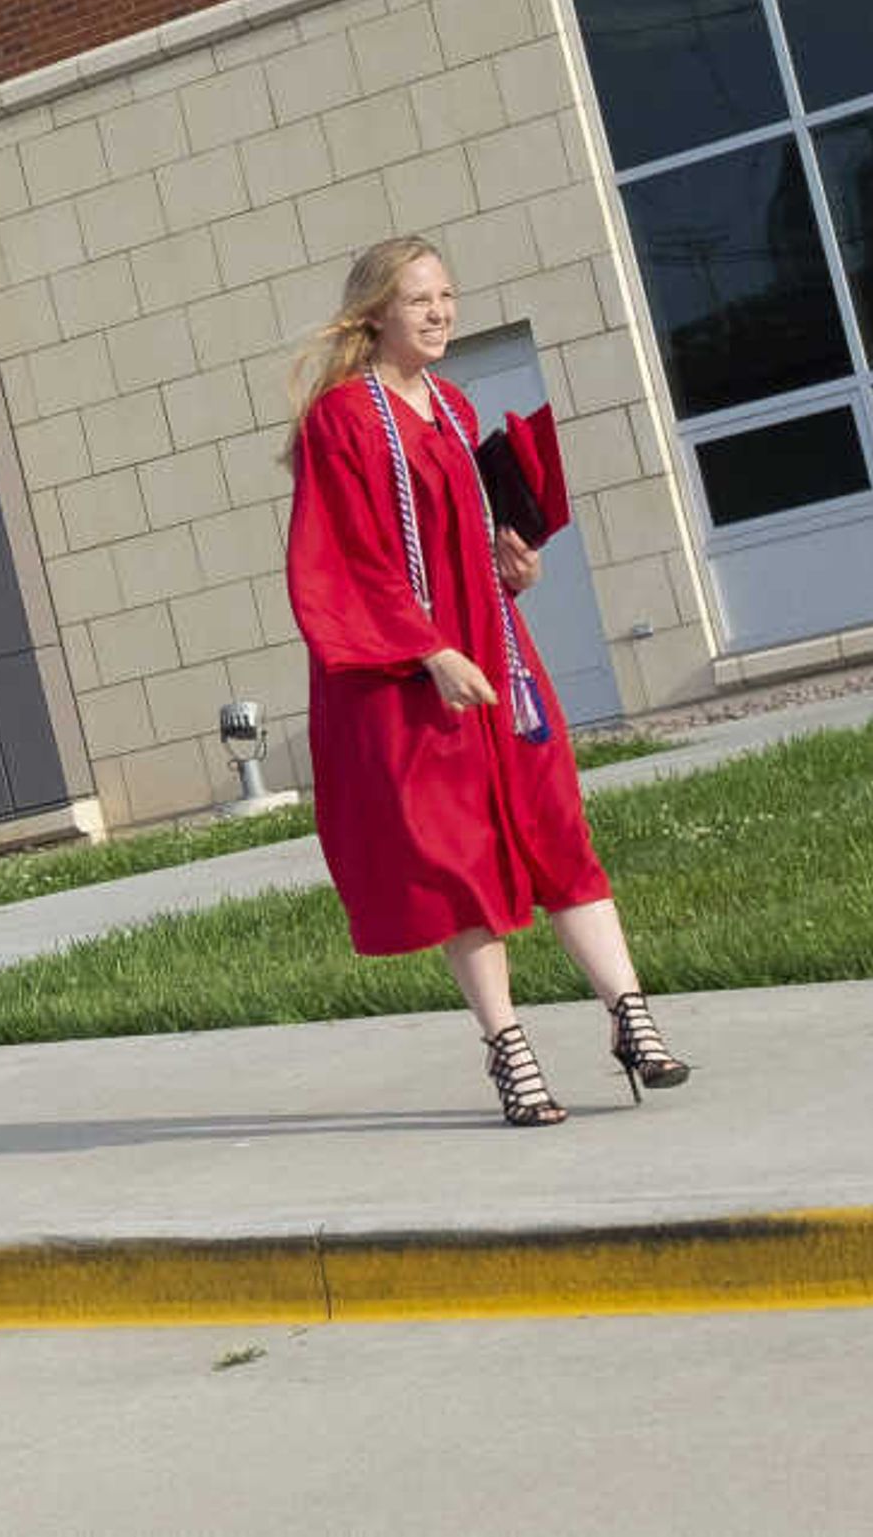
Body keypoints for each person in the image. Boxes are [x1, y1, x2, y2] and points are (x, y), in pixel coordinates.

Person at [283, 236, 691, 1126]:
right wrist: (428, 649)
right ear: (374, 314)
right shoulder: (344, 419)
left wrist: (512, 568)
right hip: (415, 673)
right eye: (419, 298)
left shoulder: (454, 407)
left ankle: (633, 1021)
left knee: (557, 830)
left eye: (447, 296)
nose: (440, 312)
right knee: (459, 860)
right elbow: (350, 554)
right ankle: (510, 1052)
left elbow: (460, 542)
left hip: (497, 654)